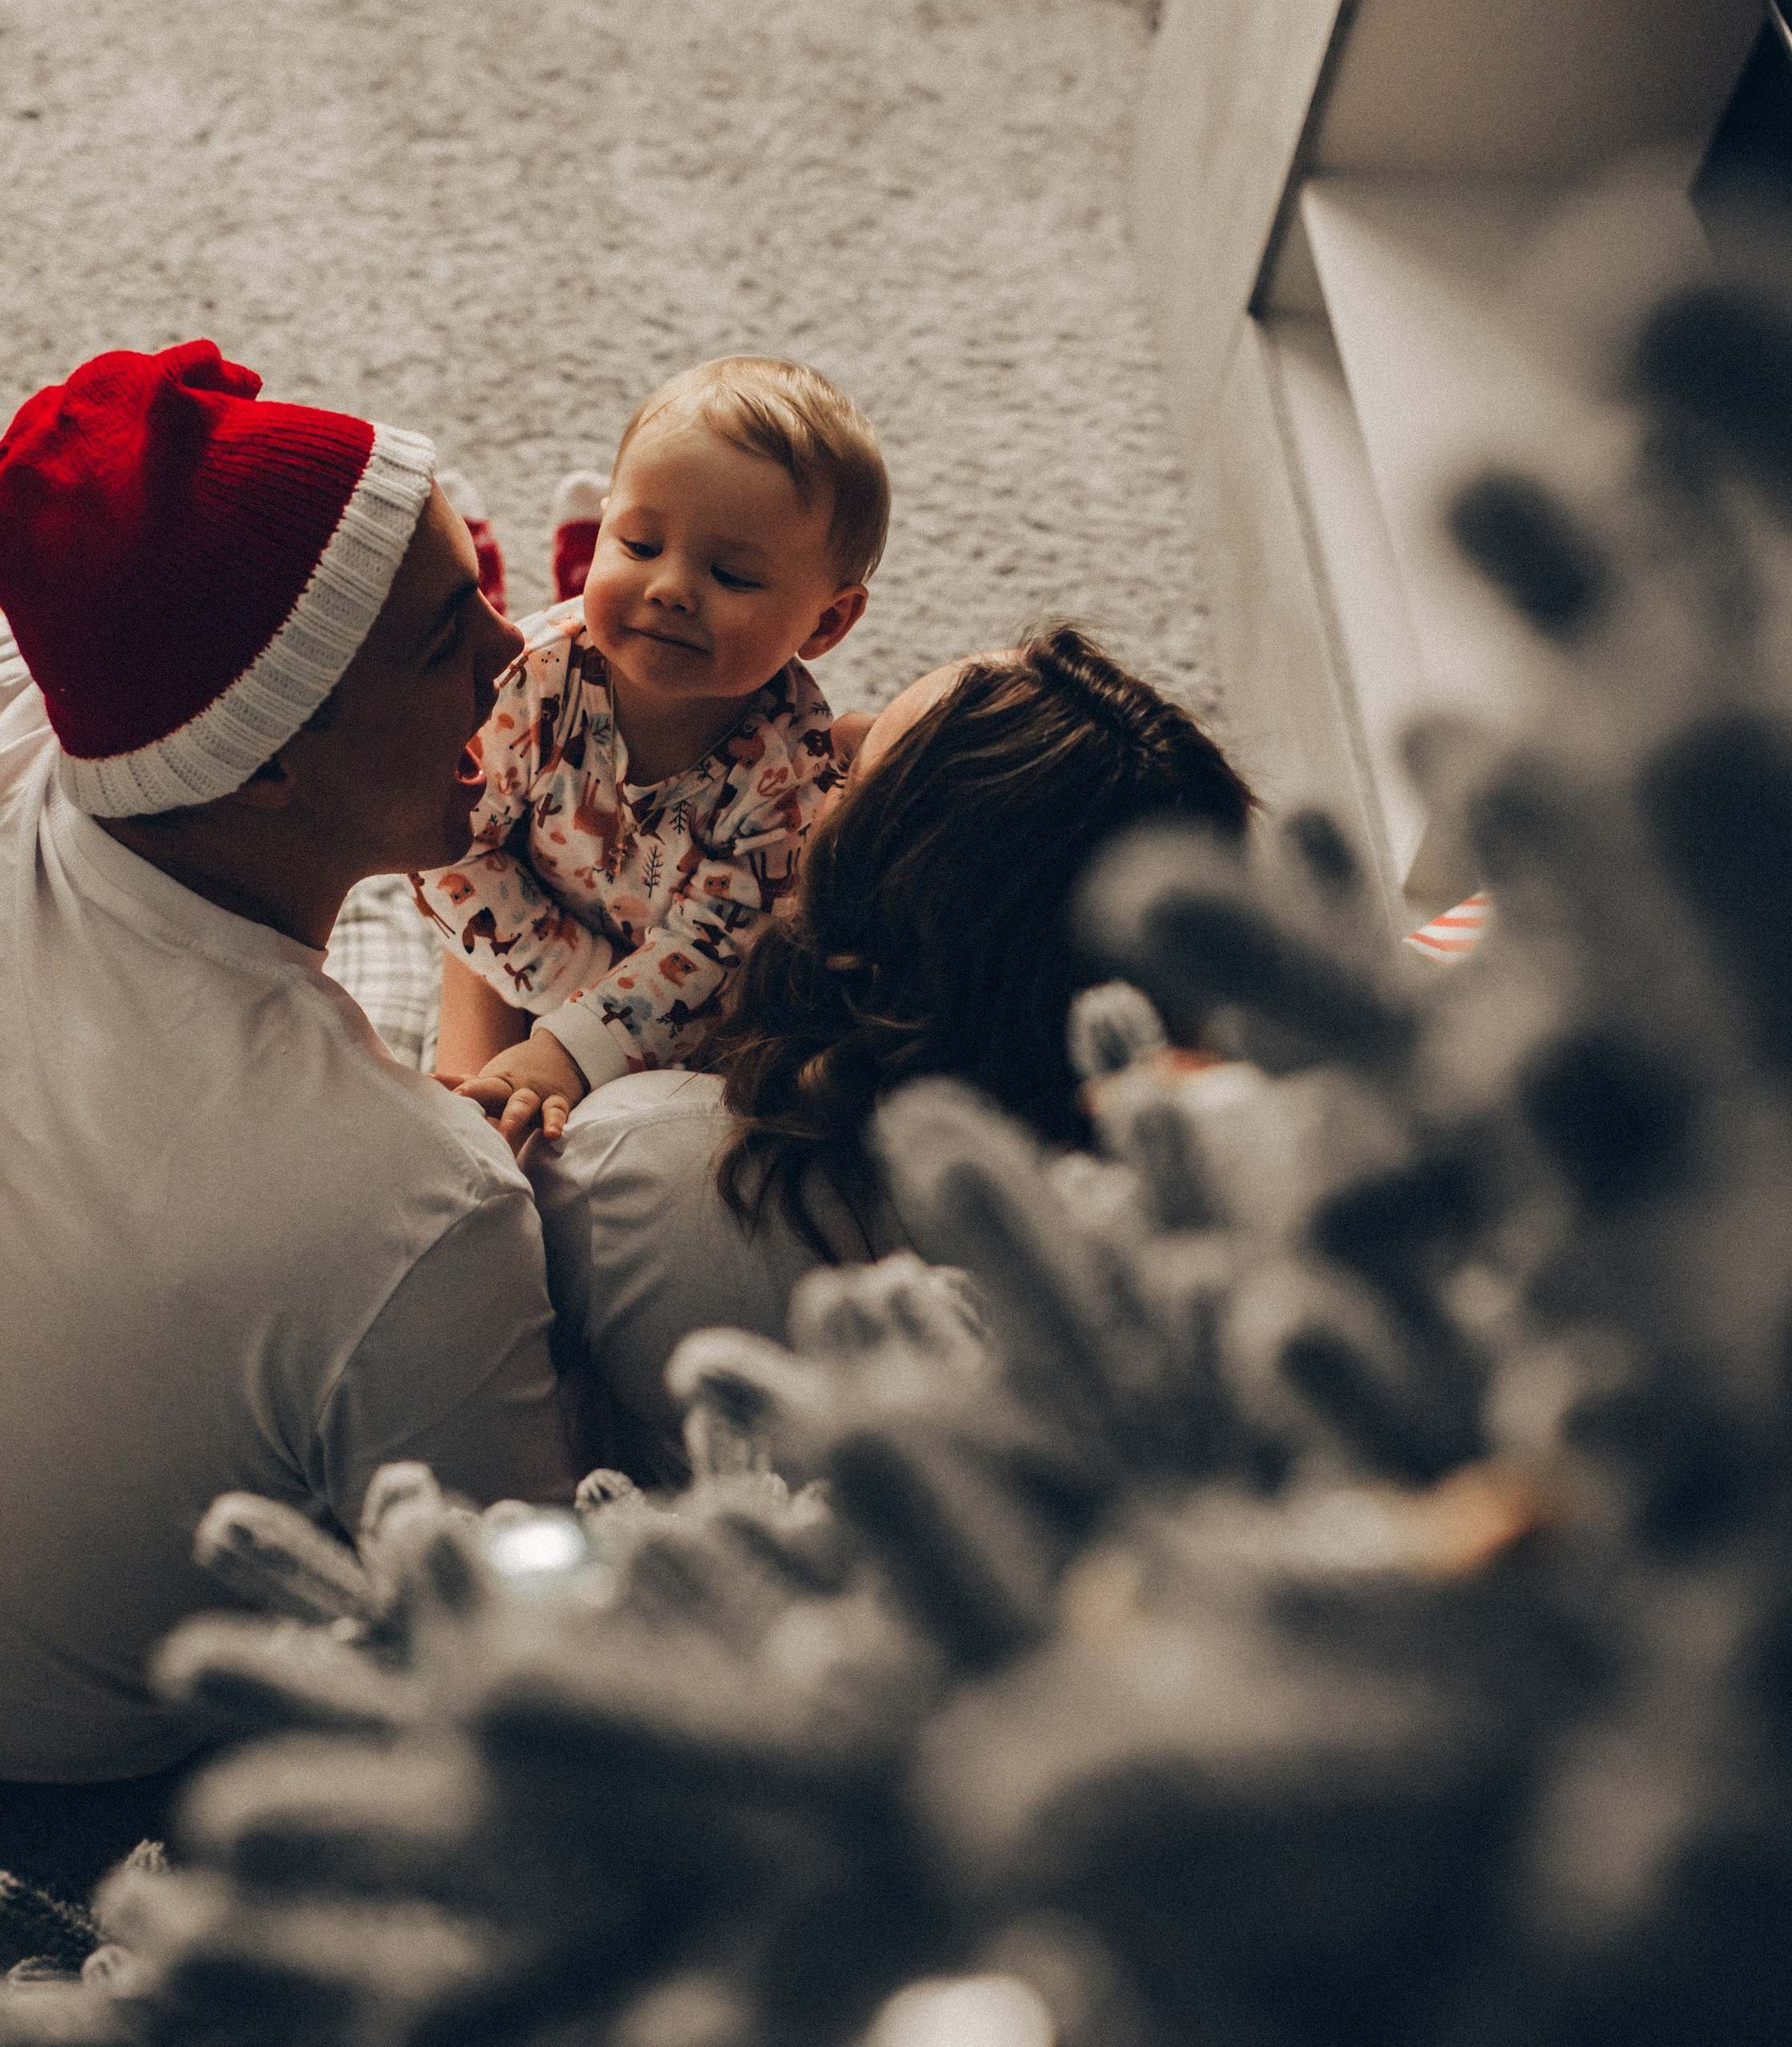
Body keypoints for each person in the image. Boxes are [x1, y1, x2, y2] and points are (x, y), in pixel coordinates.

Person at [0, 339, 574, 1782]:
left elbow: (33, 606)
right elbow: (525, 1634)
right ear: (262, 759)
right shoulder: (422, 1203)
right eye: (452, 630)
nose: (519, 656)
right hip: (36, 1739)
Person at [530, 626, 1256, 1484]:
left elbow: (483, 1216)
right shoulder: (1211, 1258)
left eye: (851, 776)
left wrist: (520, 873)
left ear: (875, 918)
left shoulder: (623, 1160)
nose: (836, 729)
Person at [412, 355, 887, 1149]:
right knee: (464, 1115)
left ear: (826, 625)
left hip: (656, 971)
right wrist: (570, 984)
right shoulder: (528, 680)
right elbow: (445, 842)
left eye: (730, 574)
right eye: (635, 542)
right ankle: (491, 588)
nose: (671, 587)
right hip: (532, 912)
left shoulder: (790, 775)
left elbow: (713, 955)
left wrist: (572, 1042)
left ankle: (574, 569)